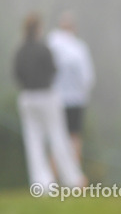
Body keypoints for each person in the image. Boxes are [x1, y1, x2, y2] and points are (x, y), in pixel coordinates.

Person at [13, 13, 86, 190]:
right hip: (46, 95)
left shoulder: (20, 51)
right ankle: (72, 179)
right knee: (58, 136)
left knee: (33, 141)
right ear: (38, 28)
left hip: (27, 97)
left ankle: (42, 183)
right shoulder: (43, 48)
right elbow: (53, 70)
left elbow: (17, 74)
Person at [47, 11, 95, 164]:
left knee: (56, 136)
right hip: (76, 99)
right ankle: (74, 172)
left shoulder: (52, 43)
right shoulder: (79, 48)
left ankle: (54, 174)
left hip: (56, 98)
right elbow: (87, 77)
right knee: (74, 136)